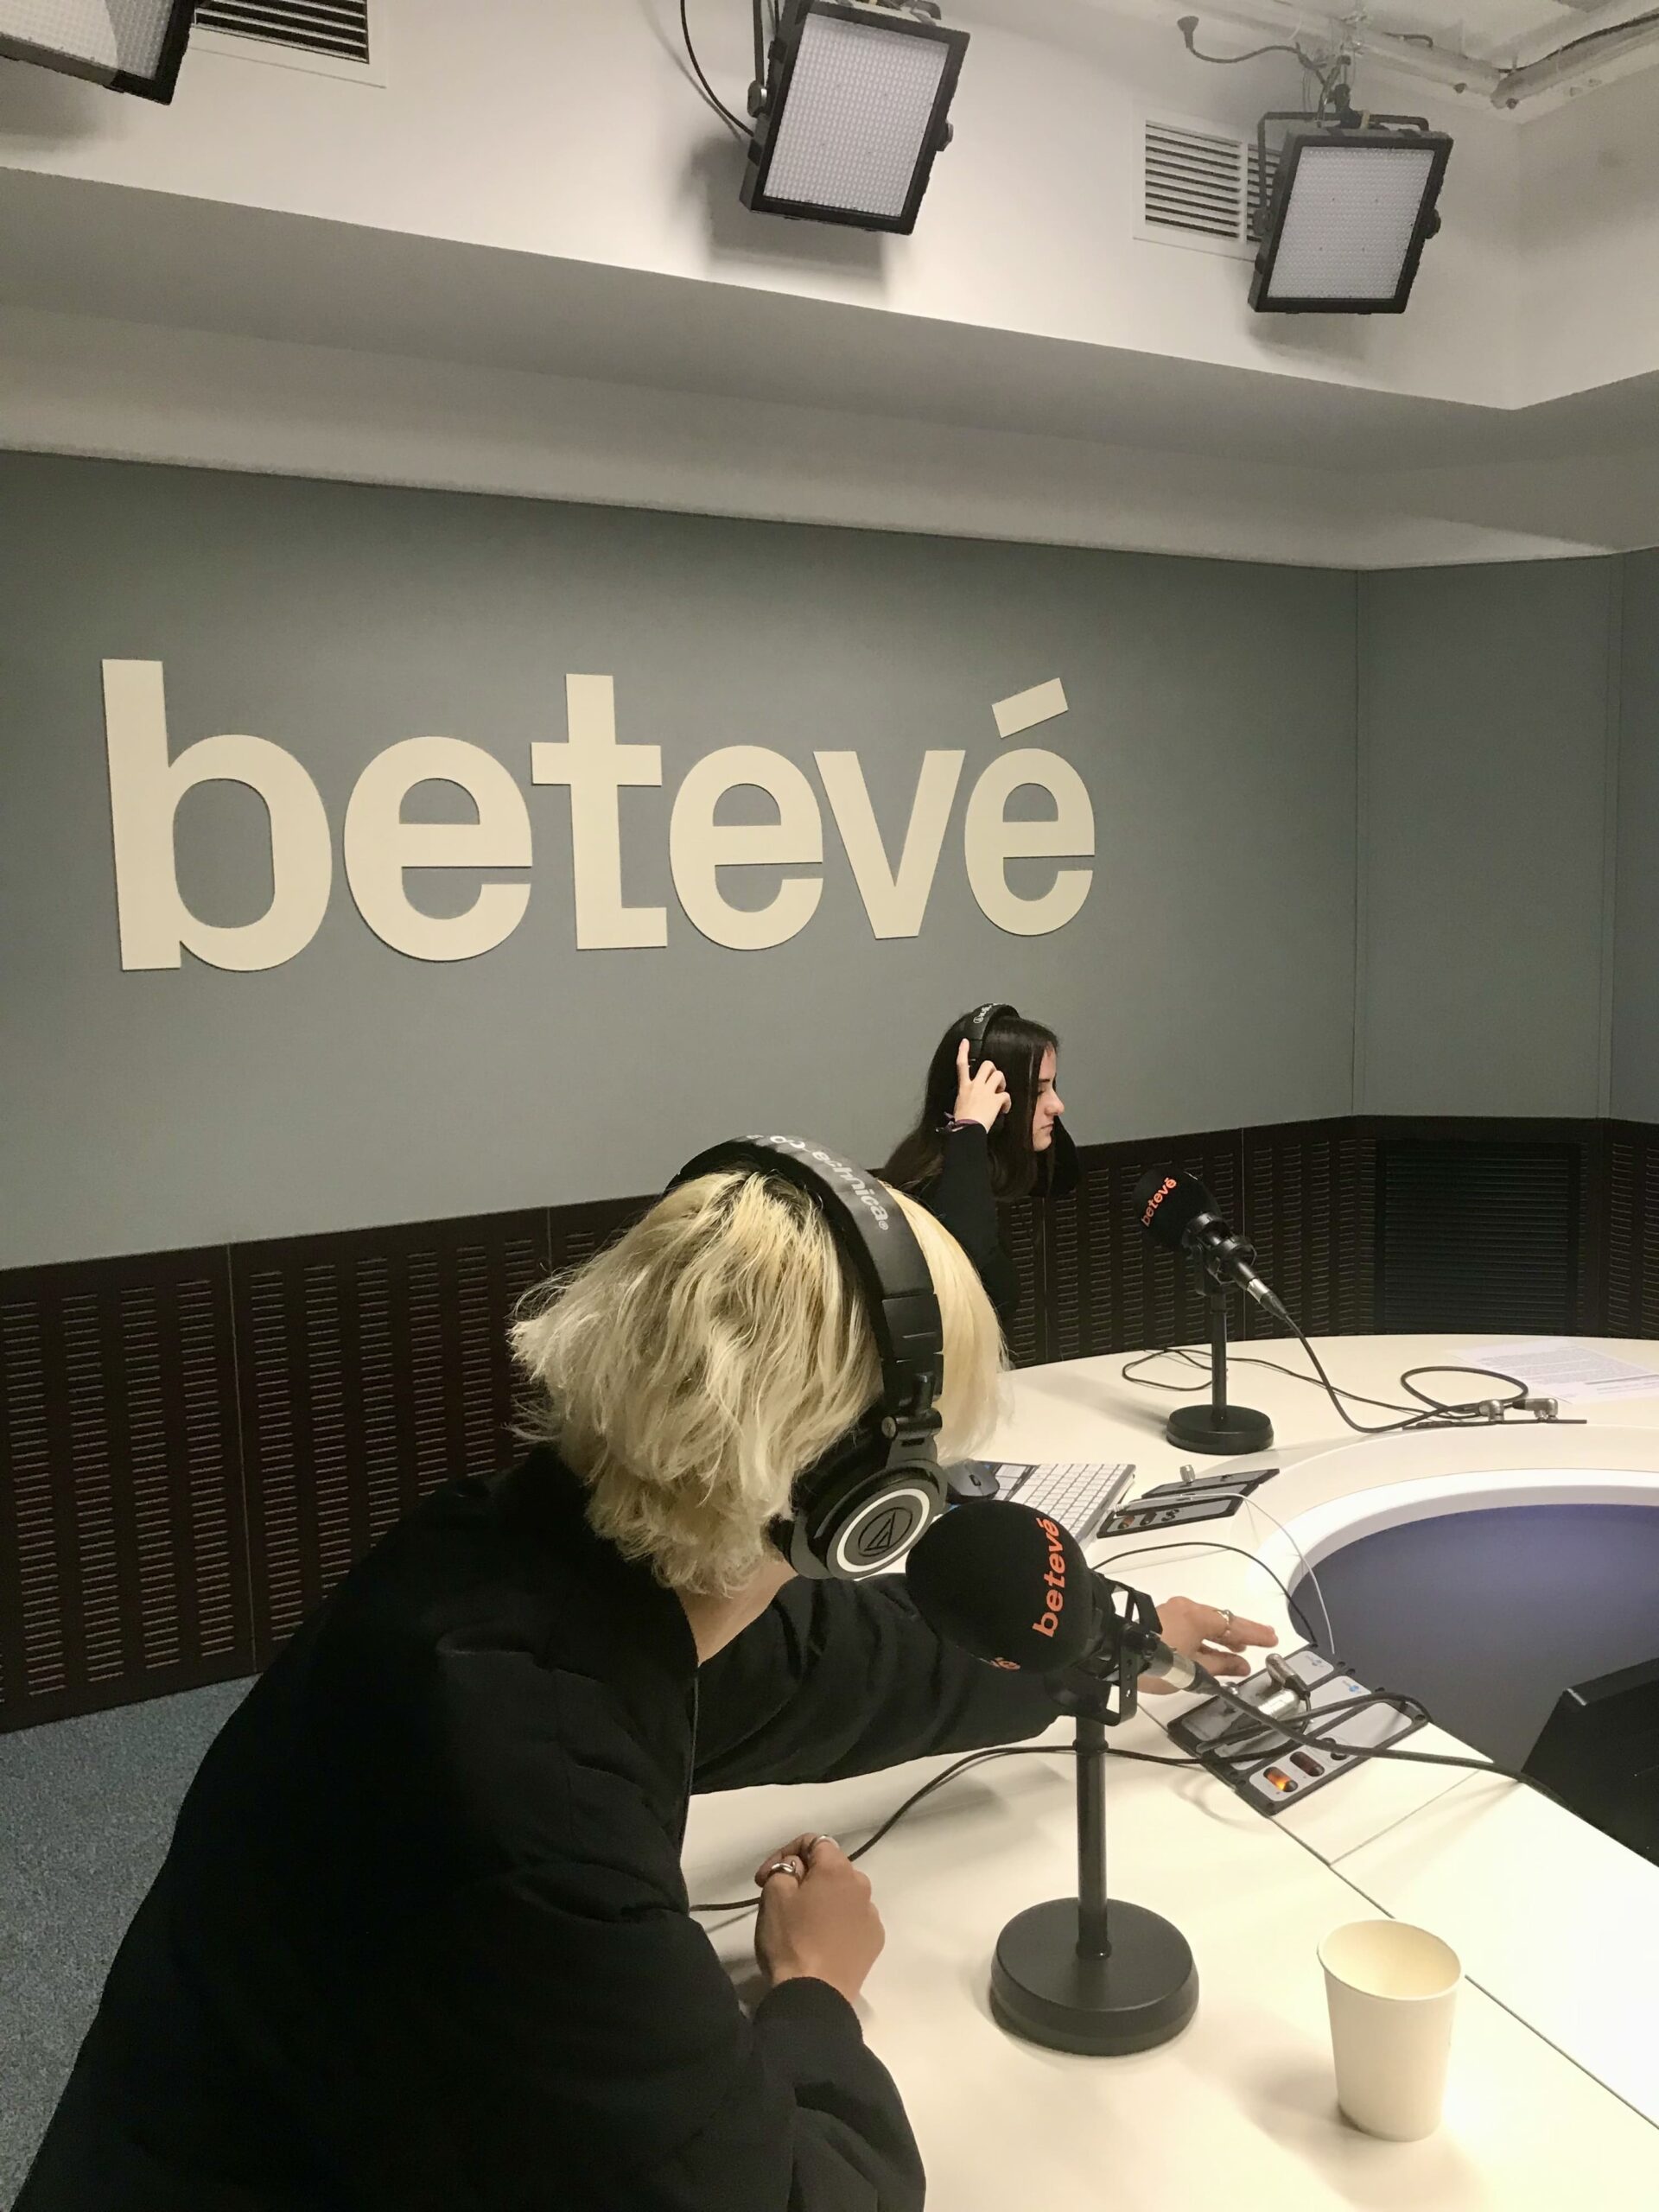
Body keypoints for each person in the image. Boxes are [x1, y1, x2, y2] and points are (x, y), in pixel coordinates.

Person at [19, 1145, 1271, 2212]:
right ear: (862, 1500)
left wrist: (1097, 1647)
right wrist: (816, 1993)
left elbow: (832, 1664)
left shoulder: (525, 1559)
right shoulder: (530, 1815)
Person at [883, 1002, 1074, 1327]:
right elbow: (974, 1278)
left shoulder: (965, 1159)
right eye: (1038, 1091)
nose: (1058, 1105)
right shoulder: (935, 1182)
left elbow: (1063, 1179)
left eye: (1053, 1086)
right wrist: (971, 1127)